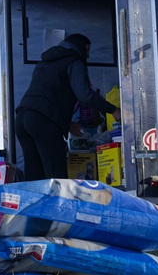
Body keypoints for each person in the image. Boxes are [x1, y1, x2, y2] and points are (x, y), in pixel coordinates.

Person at [15, 33, 121, 181]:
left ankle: (35, 204)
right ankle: (59, 205)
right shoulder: (74, 61)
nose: (88, 56)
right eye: (87, 51)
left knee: (35, 177)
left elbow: (44, 97)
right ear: (80, 48)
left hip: (21, 119)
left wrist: (65, 122)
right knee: (57, 178)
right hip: (41, 121)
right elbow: (85, 95)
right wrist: (113, 110)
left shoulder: (44, 62)